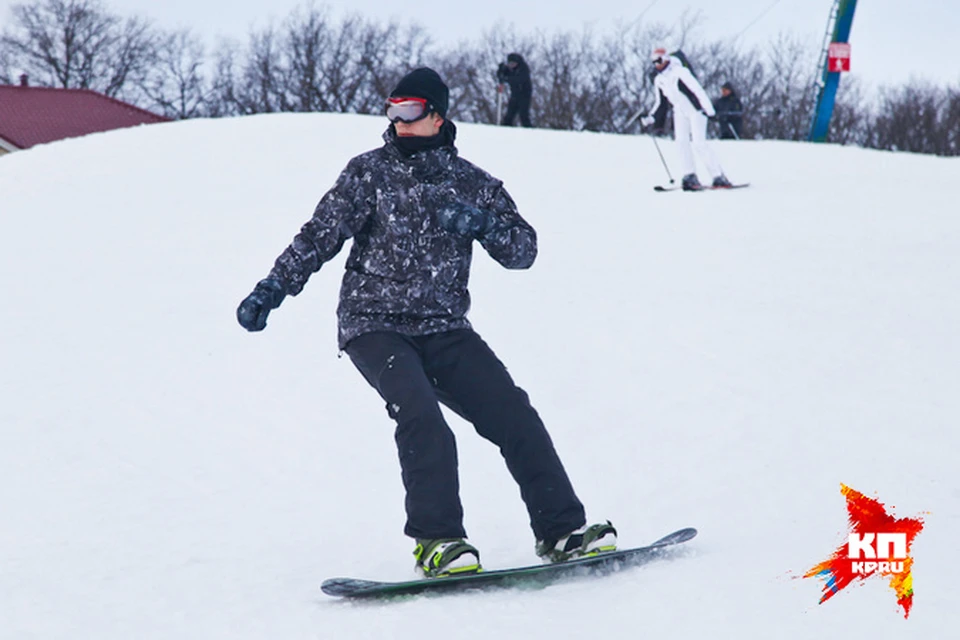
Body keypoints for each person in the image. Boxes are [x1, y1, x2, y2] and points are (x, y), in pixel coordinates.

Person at [236, 67, 615, 578]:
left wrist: (482, 223)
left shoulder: (473, 184)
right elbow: (318, 236)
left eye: (410, 111)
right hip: (374, 323)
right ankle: (438, 542)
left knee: (515, 416)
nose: (399, 122)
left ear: (438, 115)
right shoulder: (368, 172)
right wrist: (272, 288)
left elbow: (524, 251)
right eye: (392, 111)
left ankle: (562, 530)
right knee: (422, 417)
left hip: (444, 326)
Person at [641, 48, 733, 190]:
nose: (656, 64)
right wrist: (651, 118)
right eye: (653, 62)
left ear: (665, 58)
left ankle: (718, 176)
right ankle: (689, 175)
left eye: (658, 60)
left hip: (696, 110)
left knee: (698, 143)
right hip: (679, 111)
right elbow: (660, 103)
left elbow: (697, 90)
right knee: (681, 143)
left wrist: (709, 110)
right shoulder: (659, 80)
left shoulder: (680, 72)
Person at [496, 53, 533, 127]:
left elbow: (518, 80)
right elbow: (501, 76)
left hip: (525, 95)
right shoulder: (510, 69)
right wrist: (500, 70)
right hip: (514, 95)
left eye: (513, 63)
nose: (511, 65)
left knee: (524, 115)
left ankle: (529, 132)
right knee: (509, 116)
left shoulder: (523, 69)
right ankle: (505, 130)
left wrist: (506, 79)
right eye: (510, 63)